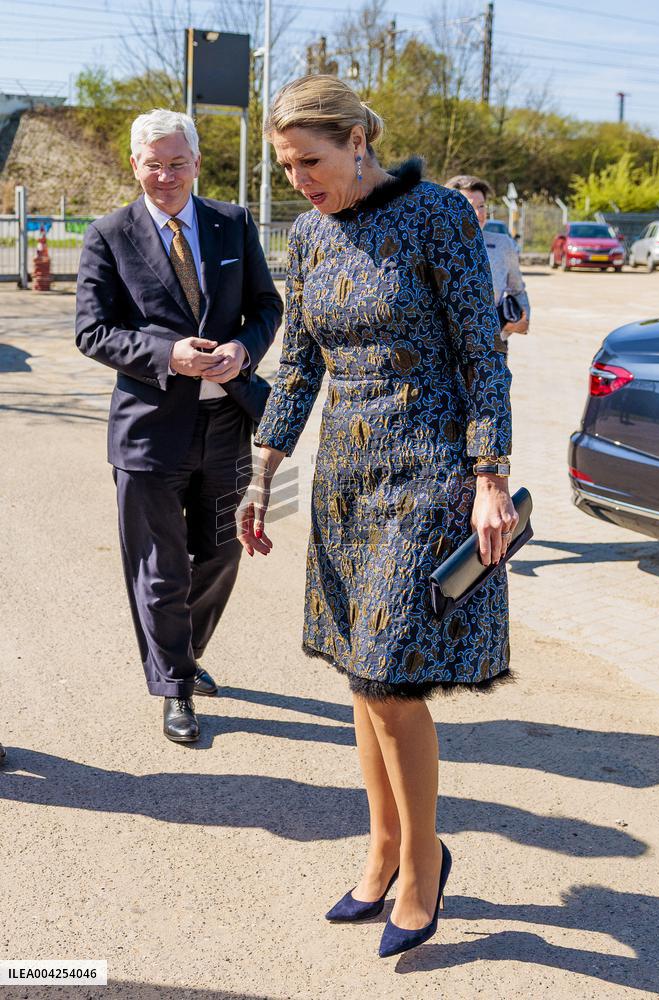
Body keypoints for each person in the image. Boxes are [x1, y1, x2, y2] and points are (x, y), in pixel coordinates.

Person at [237, 76, 517, 958]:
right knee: (362, 680)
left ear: (359, 139)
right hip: (346, 480)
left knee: (392, 677)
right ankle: (387, 849)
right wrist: (262, 473)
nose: (298, 182)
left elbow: (483, 351)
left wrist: (490, 475)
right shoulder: (309, 234)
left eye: (308, 162)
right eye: (286, 168)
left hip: (430, 471)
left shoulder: (439, 216)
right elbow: (302, 364)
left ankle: (425, 868)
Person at [76, 109, 283, 744]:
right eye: (152, 163)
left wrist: (244, 350)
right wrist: (169, 356)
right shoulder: (108, 234)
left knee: (221, 554)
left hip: (227, 425)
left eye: (177, 162)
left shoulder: (233, 223)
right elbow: (92, 331)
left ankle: (180, 653)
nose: (164, 175)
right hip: (149, 432)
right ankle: (174, 687)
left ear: (197, 163)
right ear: (134, 165)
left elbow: (266, 306)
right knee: (159, 567)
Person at [445, 174, 530, 351]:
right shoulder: (433, 246)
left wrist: (522, 320)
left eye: (481, 206)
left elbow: (517, 289)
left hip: (493, 345)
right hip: (446, 350)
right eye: (468, 206)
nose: (478, 213)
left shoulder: (503, 244)